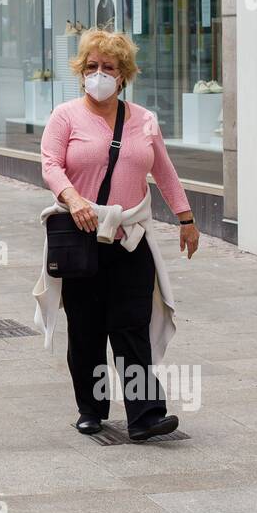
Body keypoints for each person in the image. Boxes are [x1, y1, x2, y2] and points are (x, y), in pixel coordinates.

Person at [34, 28, 200, 442]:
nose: (99, 74)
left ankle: (145, 415)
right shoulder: (65, 116)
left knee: (131, 327)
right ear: (81, 72)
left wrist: (186, 218)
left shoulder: (143, 120)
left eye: (108, 67)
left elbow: (163, 171)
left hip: (130, 236)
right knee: (87, 329)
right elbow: (50, 164)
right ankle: (90, 410)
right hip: (81, 234)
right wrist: (73, 200)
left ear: (123, 74)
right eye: (91, 67)